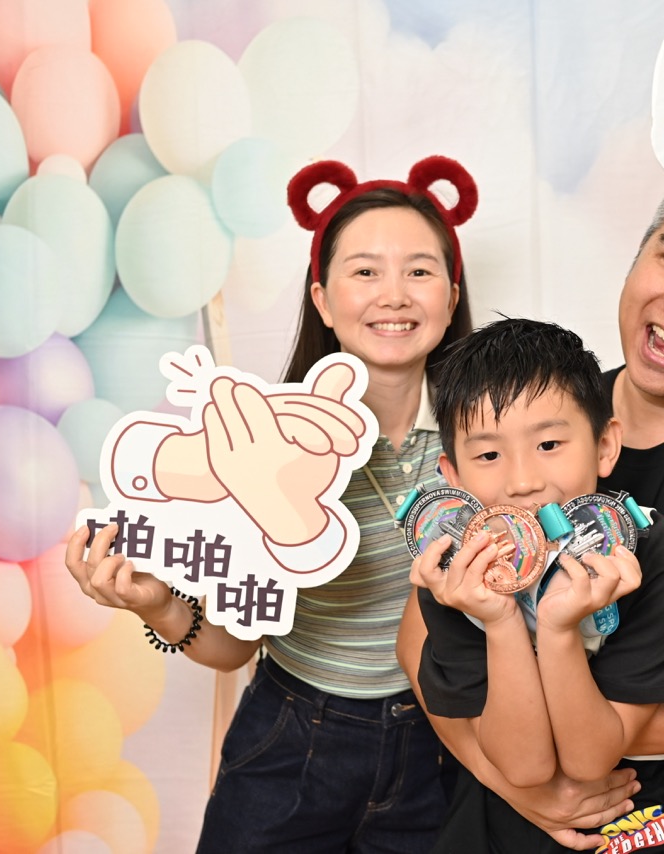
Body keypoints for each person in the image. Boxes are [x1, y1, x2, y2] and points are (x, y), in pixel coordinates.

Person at [398, 154, 664, 854]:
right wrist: (510, 776)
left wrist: (555, 740)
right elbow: (419, 640)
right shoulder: (538, 414)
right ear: (636, 263)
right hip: (529, 781)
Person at [65, 156, 481, 853]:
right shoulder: (259, 444)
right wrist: (157, 605)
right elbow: (236, 647)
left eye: (419, 270)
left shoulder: (491, 445)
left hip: (443, 745)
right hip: (292, 739)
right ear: (323, 299)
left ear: (451, 293)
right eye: (365, 271)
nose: (394, 294)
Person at [408, 318, 664, 853]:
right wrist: (500, 619)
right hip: (495, 809)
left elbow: (591, 760)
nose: (523, 481)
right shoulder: (455, 573)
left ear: (604, 445)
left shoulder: (648, 555)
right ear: (452, 477)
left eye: (549, 443)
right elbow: (524, 767)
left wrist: (557, 627)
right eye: (488, 455)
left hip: (629, 806)